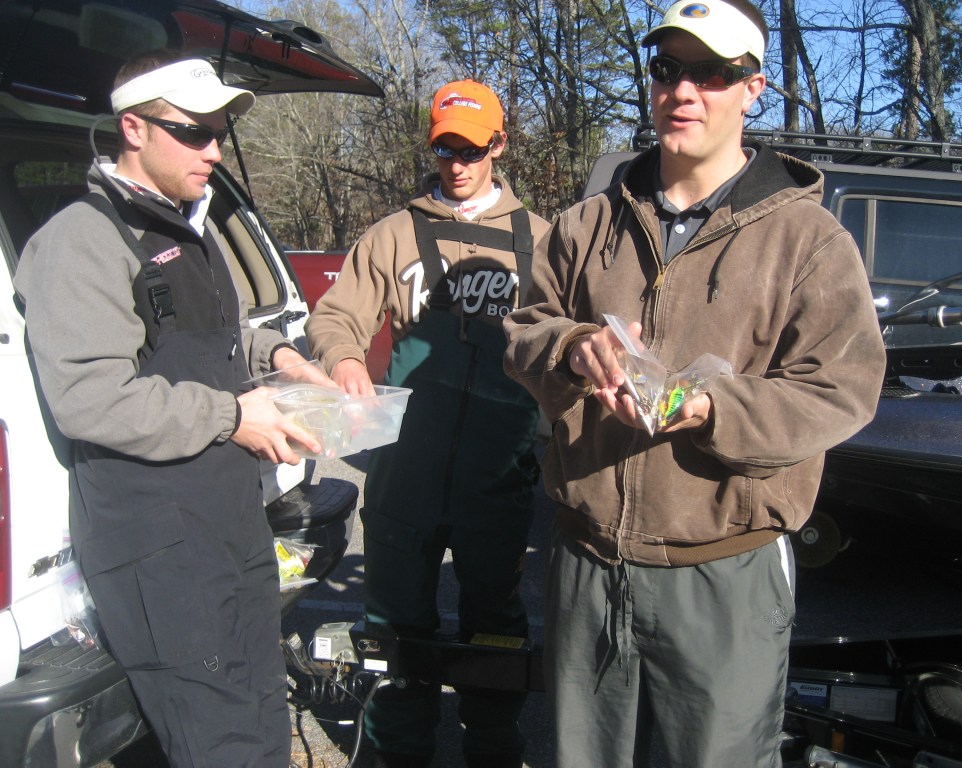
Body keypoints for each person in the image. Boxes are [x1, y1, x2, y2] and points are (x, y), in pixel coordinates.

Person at [503, 1, 888, 766]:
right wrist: (573, 348)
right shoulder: (585, 225)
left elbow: (840, 390)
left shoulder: (808, 240)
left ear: (754, 89)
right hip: (586, 563)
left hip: (722, 571)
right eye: (668, 69)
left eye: (712, 73)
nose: (683, 90)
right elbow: (523, 332)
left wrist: (714, 407)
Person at [15, 51, 331, 767]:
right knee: (218, 743)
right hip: (159, 550)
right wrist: (233, 417)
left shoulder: (197, 229)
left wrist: (282, 358)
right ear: (133, 128)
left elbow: (222, 335)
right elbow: (92, 399)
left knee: (260, 715)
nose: (213, 150)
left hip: (229, 524)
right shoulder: (82, 240)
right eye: (193, 131)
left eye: (218, 133)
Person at [305, 80, 550, 768]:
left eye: (472, 150)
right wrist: (344, 358)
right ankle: (398, 752)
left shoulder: (544, 241)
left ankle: (493, 751)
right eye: (446, 149)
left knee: (495, 628)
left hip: (497, 475)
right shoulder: (392, 234)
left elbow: (573, 339)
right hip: (404, 470)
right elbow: (336, 315)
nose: (458, 164)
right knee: (394, 629)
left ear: (499, 146)